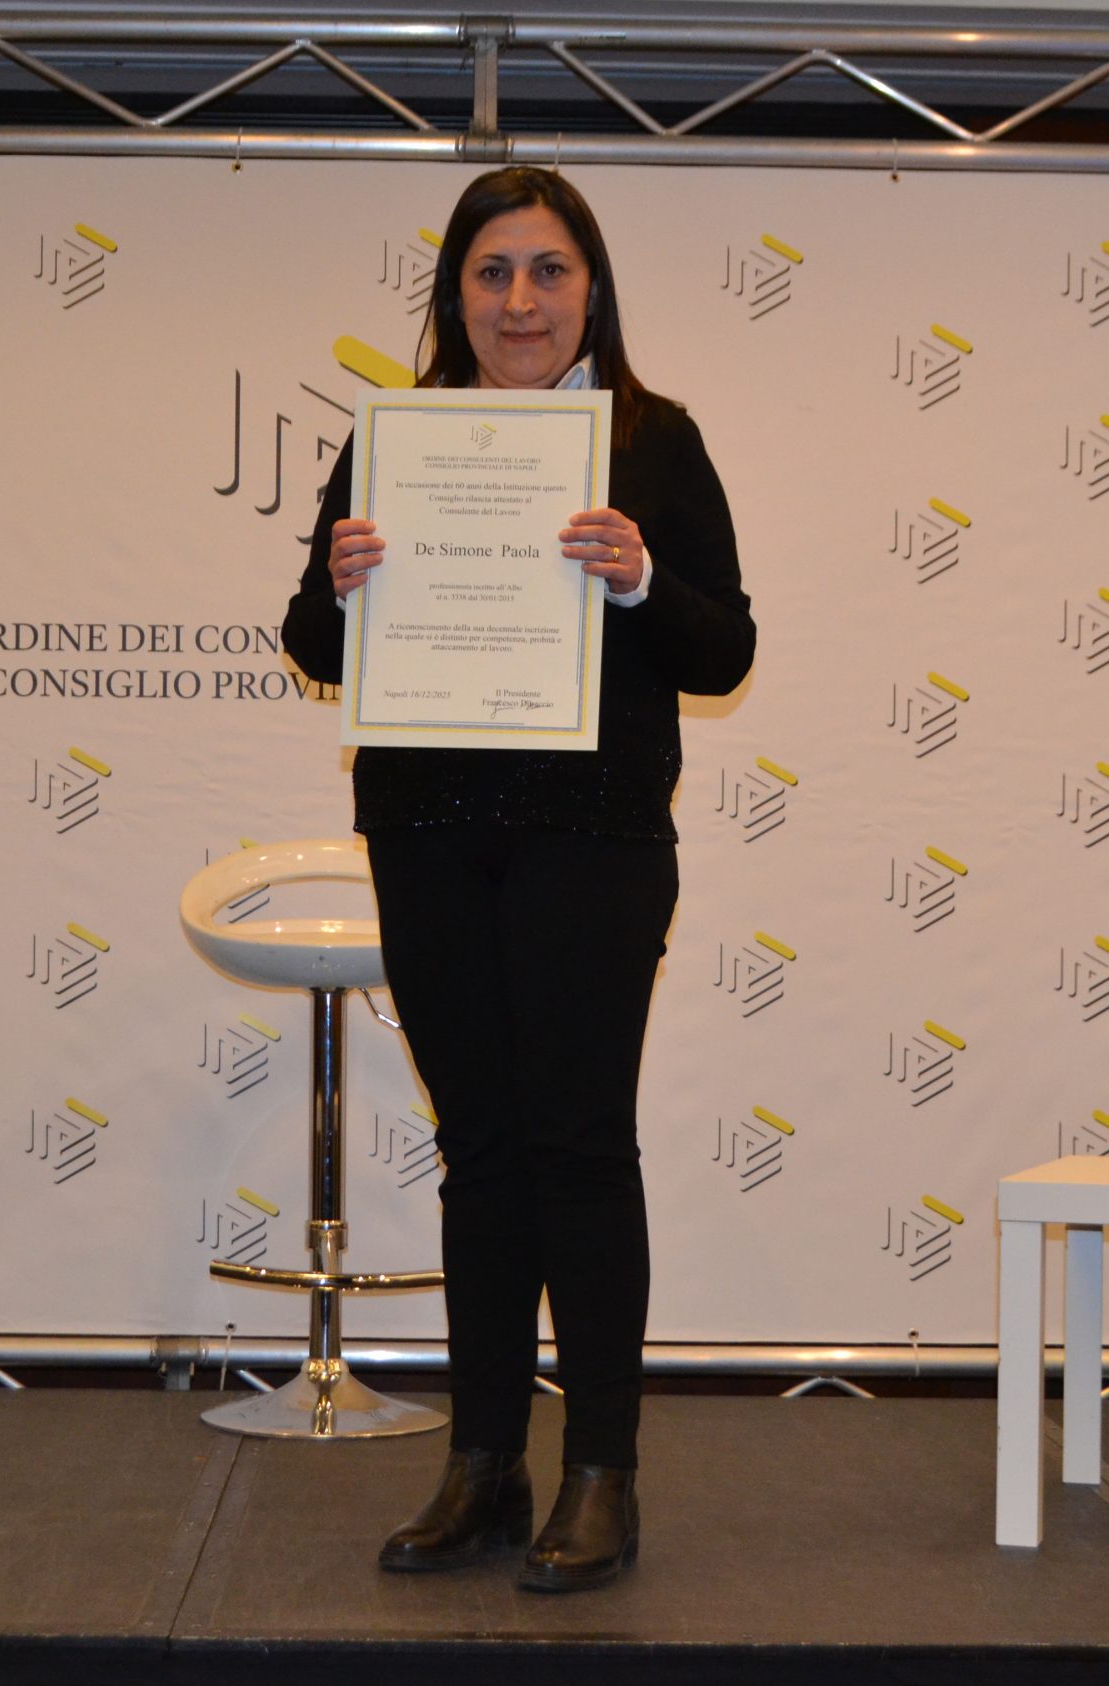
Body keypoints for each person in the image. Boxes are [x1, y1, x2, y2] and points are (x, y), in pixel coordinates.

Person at [281, 167, 755, 1592]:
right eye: (492, 273)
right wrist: (342, 585)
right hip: (428, 832)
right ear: (454, 296)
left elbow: (723, 649)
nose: (521, 301)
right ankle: (483, 1466)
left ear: (591, 289)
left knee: (580, 1147)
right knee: (479, 1152)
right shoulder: (396, 439)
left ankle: (603, 1474)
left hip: (593, 840)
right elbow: (310, 640)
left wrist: (639, 580)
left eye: (548, 270)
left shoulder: (654, 441)